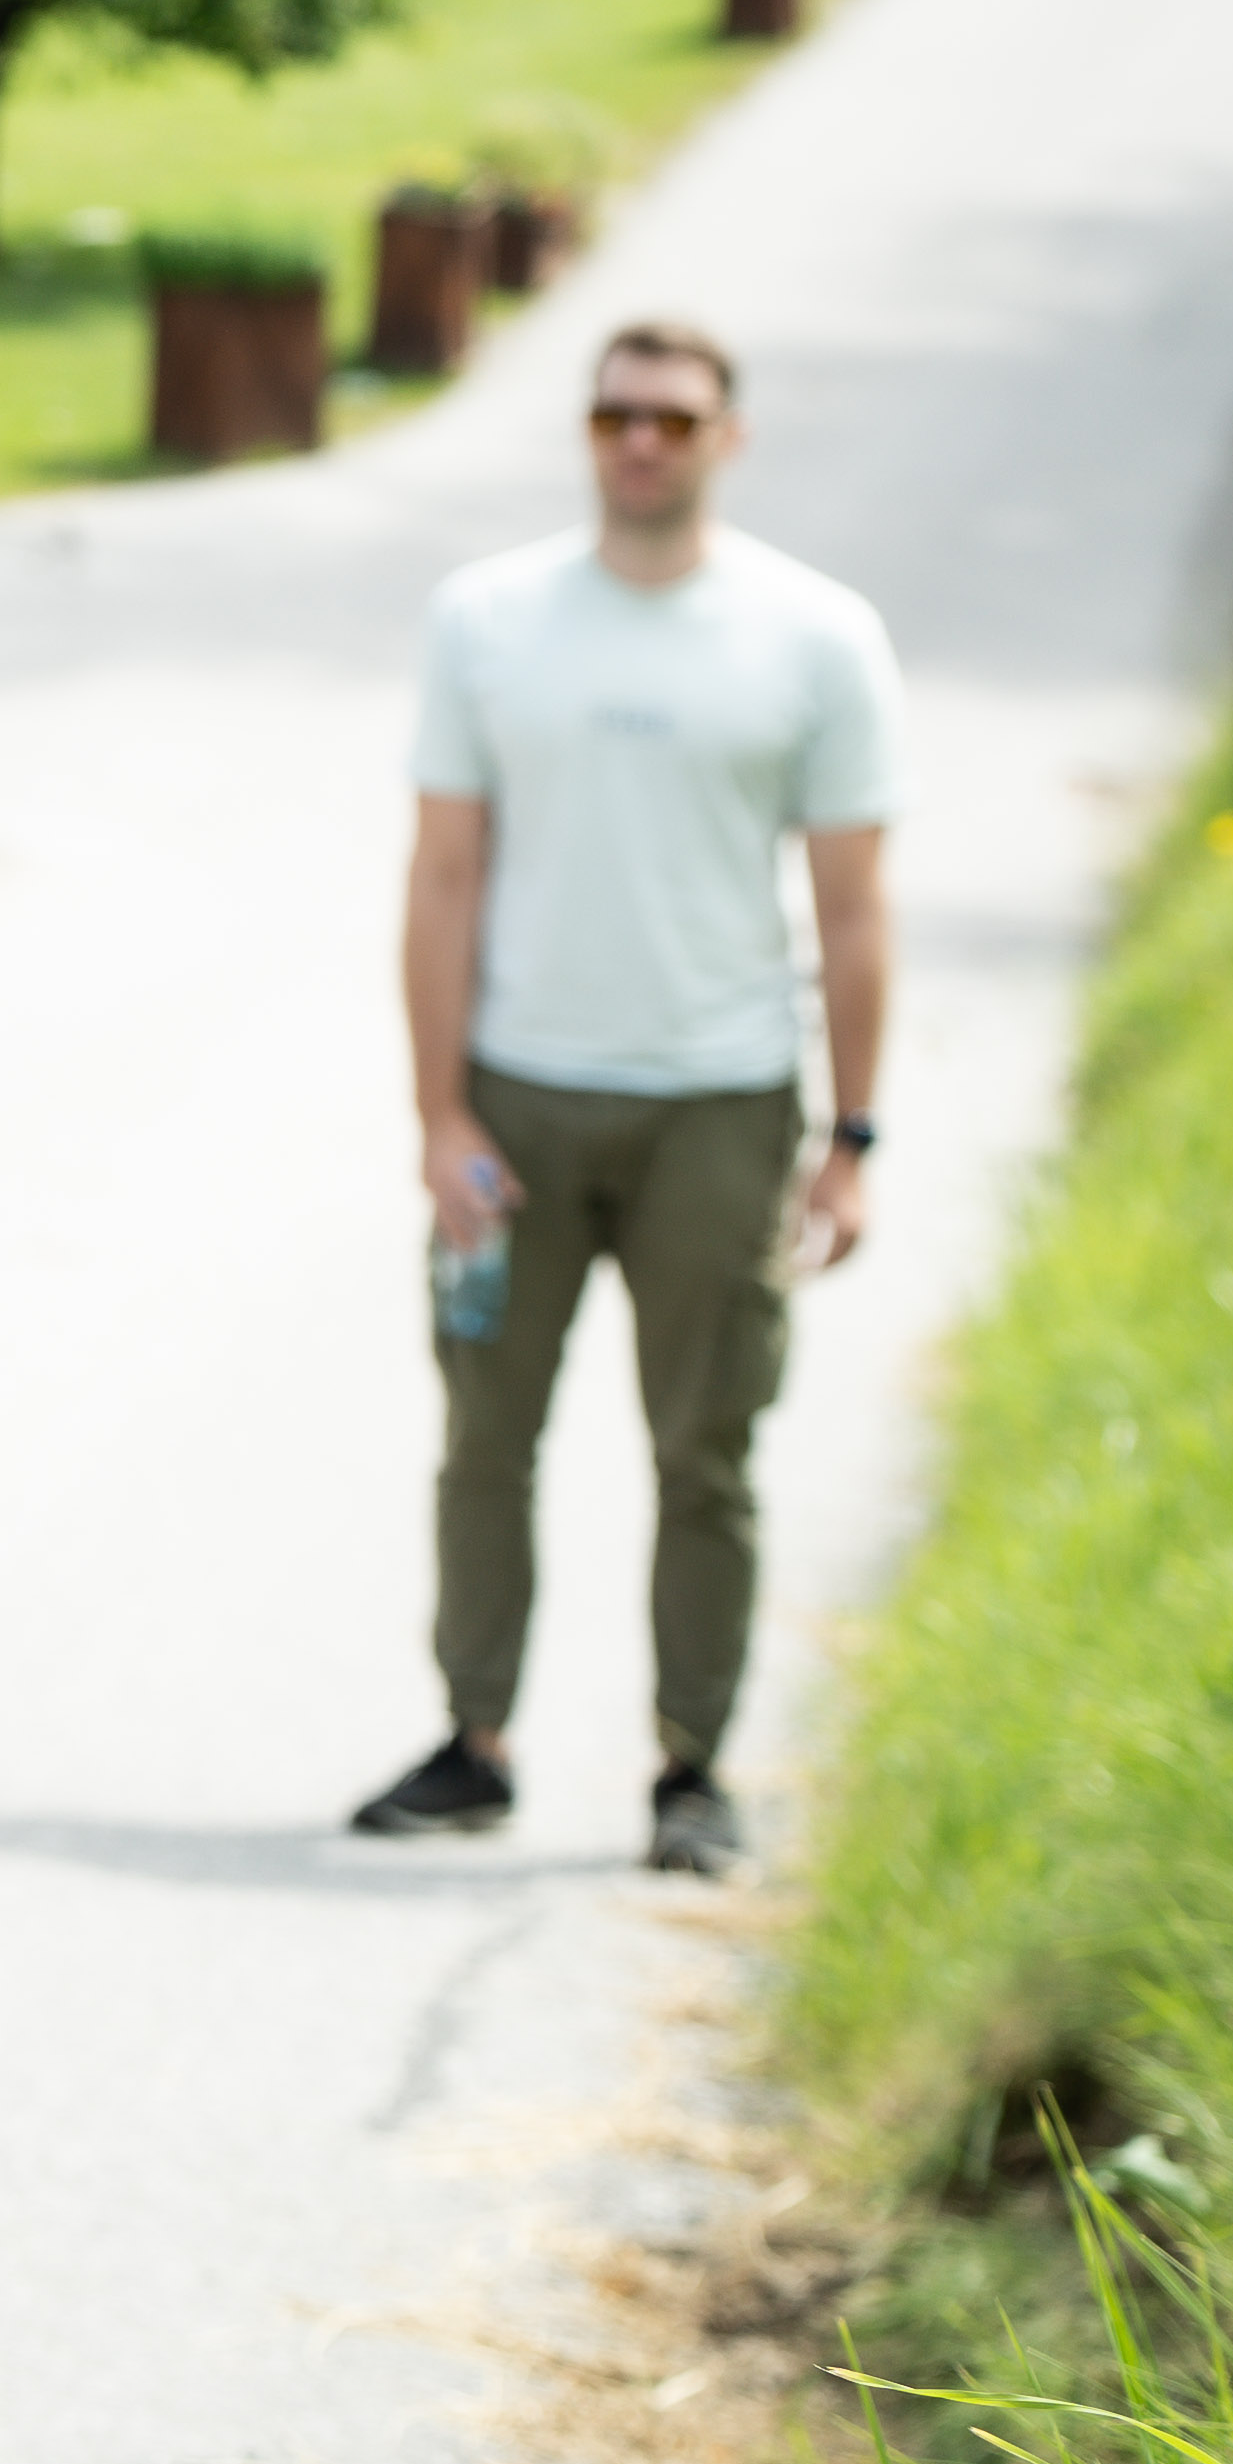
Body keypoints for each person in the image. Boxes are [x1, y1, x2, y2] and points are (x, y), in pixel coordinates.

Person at [354, 315, 897, 1880]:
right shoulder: (492, 621)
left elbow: (853, 904)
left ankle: (691, 1768)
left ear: (728, 436)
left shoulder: (814, 636)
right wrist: (440, 1114)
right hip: (519, 1100)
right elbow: (442, 874)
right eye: (614, 418)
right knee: (485, 1434)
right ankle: (474, 1742)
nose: (640, 443)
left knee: (707, 1447)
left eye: (671, 418)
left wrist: (851, 1140)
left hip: (718, 1105)